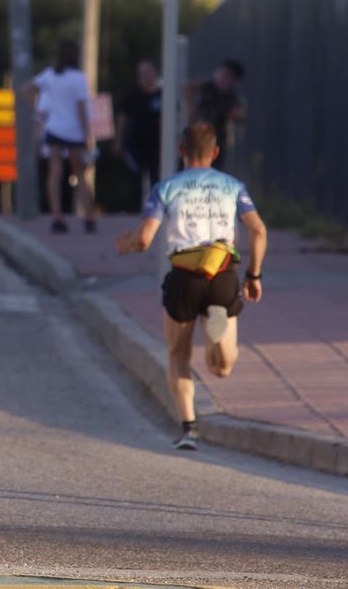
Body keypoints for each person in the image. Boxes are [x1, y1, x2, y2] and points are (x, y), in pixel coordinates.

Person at [115, 123, 267, 451]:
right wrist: (253, 276)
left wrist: (125, 244)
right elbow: (258, 231)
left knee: (178, 354)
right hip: (223, 272)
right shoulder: (233, 186)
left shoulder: (165, 188)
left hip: (183, 276)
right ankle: (216, 331)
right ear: (215, 152)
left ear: (181, 151)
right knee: (223, 368)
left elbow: (143, 239)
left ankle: (190, 428)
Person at [24, 40, 97, 235]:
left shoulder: (50, 75)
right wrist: (87, 134)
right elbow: (82, 108)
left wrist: (36, 113)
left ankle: (57, 218)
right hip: (73, 131)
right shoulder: (79, 78)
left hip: (54, 129)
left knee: (55, 173)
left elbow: (26, 88)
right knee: (80, 173)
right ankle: (89, 217)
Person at [185, 59, 246, 171]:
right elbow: (187, 88)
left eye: (228, 75)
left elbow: (239, 115)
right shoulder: (208, 87)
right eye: (222, 73)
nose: (222, 77)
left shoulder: (231, 98)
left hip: (217, 140)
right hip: (198, 136)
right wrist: (191, 109)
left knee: (212, 171)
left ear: (234, 80)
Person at [115, 58, 162, 196]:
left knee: (156, 177)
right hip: (135, 144)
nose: (145, 75)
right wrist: (118, 140)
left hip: (156, 144)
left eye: (148, 71)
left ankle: (155, 210)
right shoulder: (132, 94)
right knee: (135, 177)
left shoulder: (163, 95)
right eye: (142, 72)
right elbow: (122, 118)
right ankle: (134, 211)